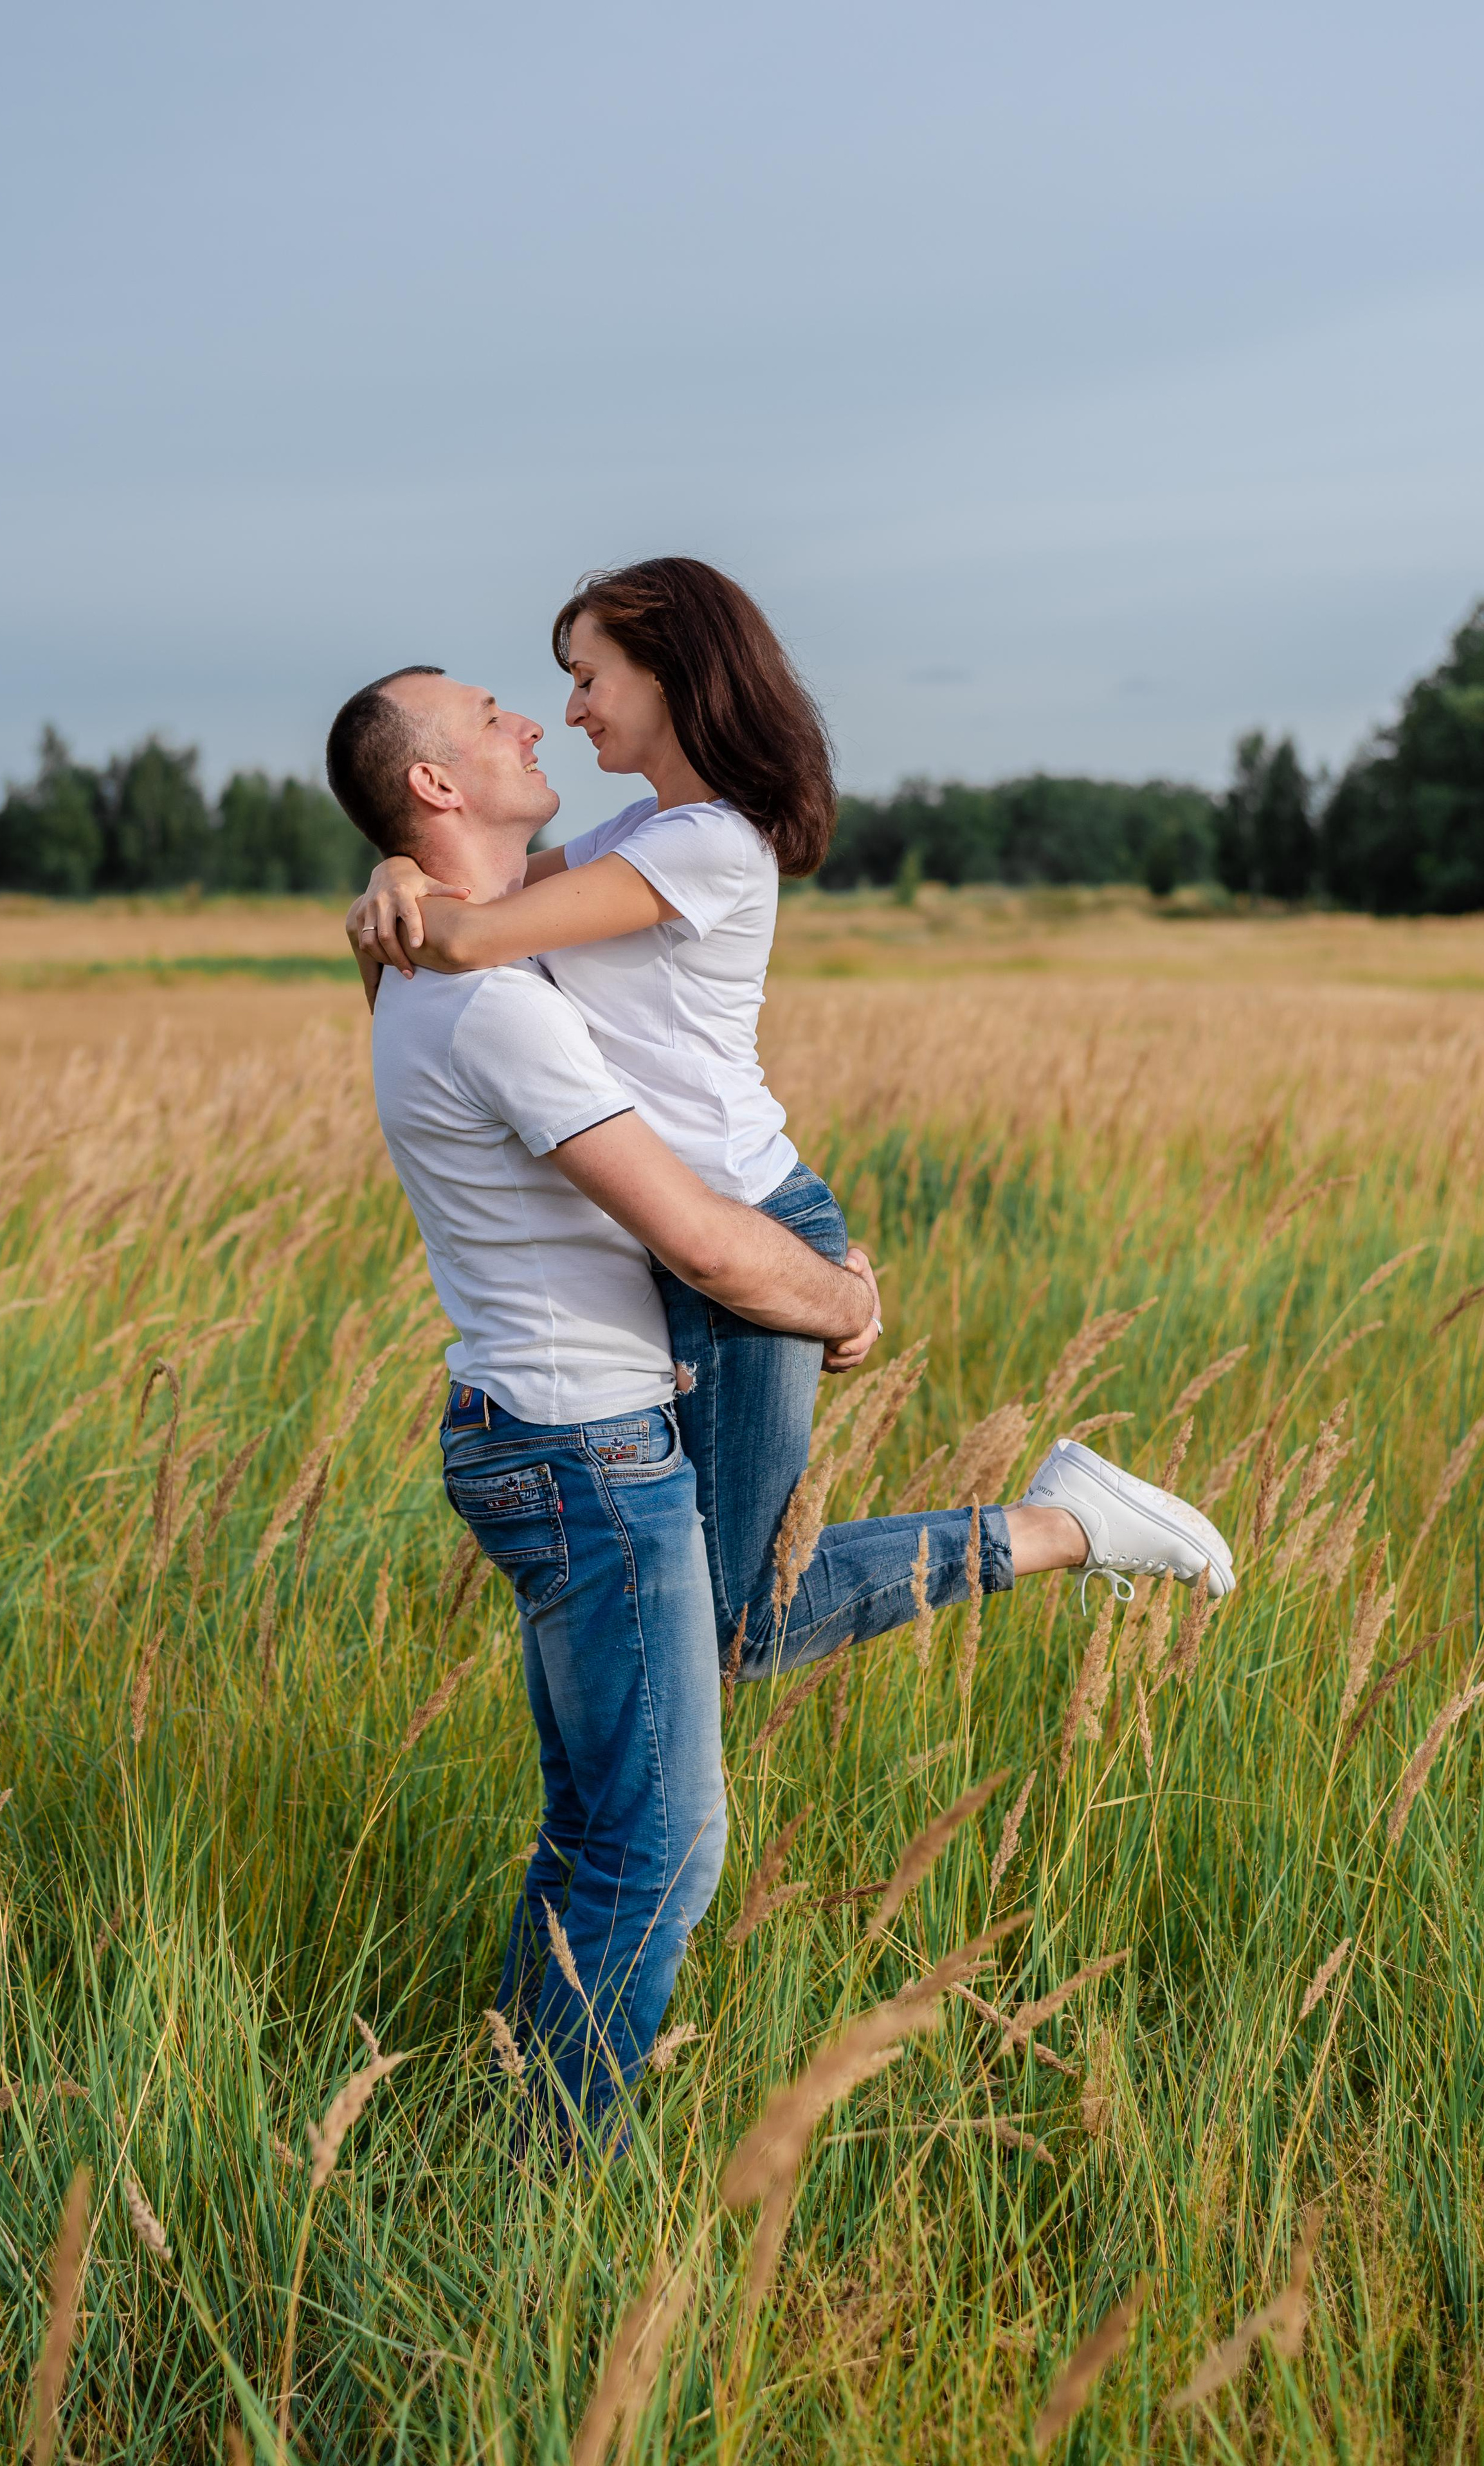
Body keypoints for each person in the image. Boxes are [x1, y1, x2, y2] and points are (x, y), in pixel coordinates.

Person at [325, 662, 1236, 2131]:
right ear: (434, 784)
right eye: (492, 711)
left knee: (599, 1824)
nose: (527, 718)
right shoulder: (494, 1002)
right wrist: (843, 1300)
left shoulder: (458, 955)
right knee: (662, 1849)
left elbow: (445, 926)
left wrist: (388, 879)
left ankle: (514, 2124)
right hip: (585, 1451)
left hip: (530, 1433)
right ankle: (550, 2182)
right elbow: (689, 1234)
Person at [344, 557, 867, 1672]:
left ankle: (1052, 1528)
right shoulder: (645, 826)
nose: (570, 708)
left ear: (669, 672)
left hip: (743, 1223)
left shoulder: (709, 841)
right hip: (692, 1231)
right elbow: (491, 885)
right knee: (720, 1602)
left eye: (589, 678)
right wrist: (399, 852)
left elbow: (477, 930)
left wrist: (399, 877)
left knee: (744, 1616)